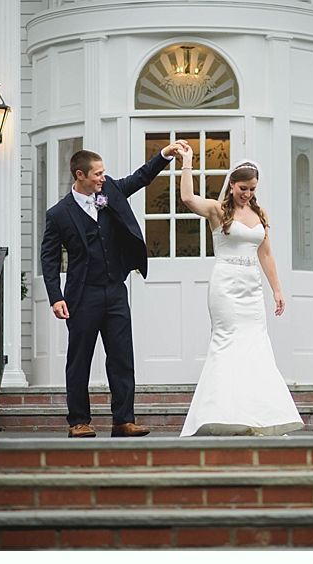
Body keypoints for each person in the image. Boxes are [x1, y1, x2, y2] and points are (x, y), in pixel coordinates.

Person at [40, 143, 187, 438]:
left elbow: (141, 177)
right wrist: (56, 296)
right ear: (79, 175)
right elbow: (50, 257)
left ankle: (123, 419)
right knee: (79, 358)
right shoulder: (59, 214)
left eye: (104, 173)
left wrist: (165, 155)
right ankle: (79, 421)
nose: (102, 178)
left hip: (115, 290)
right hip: (82, 295)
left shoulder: (111, 192)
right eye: (97, 174)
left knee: (121, 356)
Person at [176, 147, 304, 437]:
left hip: (252, 287)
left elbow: (267, 253)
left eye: (252, 189)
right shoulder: (218, 211)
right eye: (243, 188)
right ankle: (222, 413)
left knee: (256, 345)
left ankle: (258, 415)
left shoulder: (260, 213)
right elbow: (187, 198)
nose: (247, 193)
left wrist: (277, 290)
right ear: (232, 184)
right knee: (227, 343)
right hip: (225, 285)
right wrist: (187, 163)